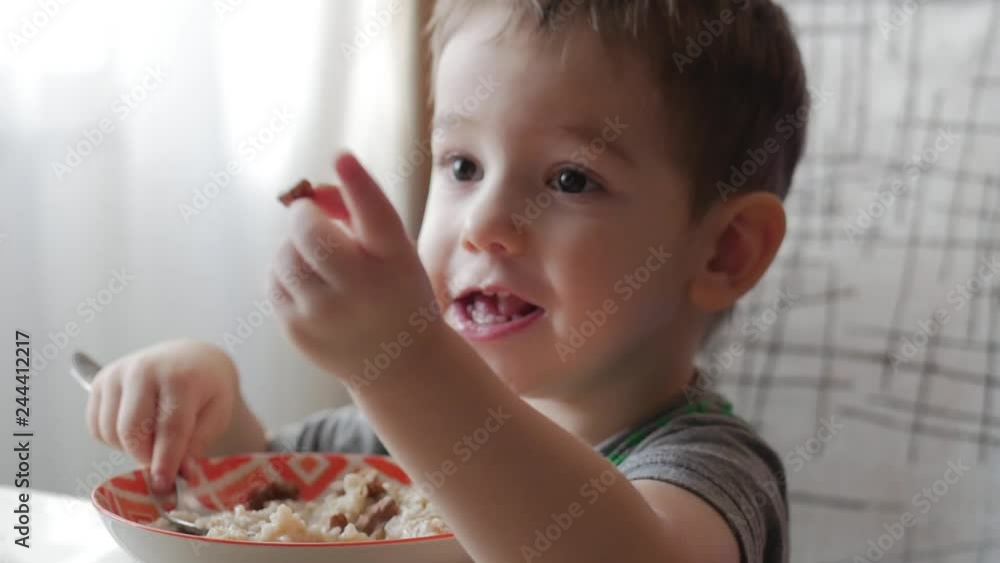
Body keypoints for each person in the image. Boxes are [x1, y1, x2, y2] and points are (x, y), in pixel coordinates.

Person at [86, 1, 810, 561]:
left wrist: (405, 363)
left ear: (724, 253)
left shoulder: (713, 472)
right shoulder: (381, 438)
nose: (485, 223)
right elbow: (261, 503)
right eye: (463, 166)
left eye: (570, 179)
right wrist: (202, 413)